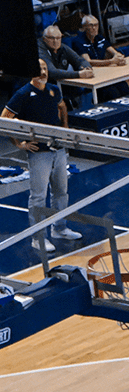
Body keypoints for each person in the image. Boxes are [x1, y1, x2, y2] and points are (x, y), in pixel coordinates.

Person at [1, 61, 80, 254]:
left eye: (45, 69)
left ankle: (59, 228)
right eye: (39, 69)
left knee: (61, 191)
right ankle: (38, 238)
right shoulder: (22, 94)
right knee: (38, 197)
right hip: (39, 155)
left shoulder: (53, 90)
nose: (43, 72)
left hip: (58, 150)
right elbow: (4, 120)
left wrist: (65, 129)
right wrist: (19, 144)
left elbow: (62, 107)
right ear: (31, 73)